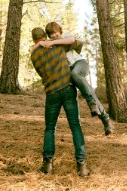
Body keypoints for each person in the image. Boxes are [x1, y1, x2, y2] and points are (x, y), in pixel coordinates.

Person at [29, 27, 90, 177]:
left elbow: (34, 51)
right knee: (75, 126)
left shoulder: (34, 55)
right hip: (67, 88)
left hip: (52, 92)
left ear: (33, 40)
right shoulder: (57, 45)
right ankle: (82, 167)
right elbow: (76, 42)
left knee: (50, 128)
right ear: (45, 36)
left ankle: (47, 165)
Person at [42, 21, 113, 135]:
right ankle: (105, 118)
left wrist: (53, 42)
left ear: (59, 30)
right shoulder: (52, 45)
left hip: (80, 64)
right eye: (51, 34)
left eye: (55, 32)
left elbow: (71, 40)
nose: (54, 35)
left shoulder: (65, 36)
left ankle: (91, 102)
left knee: (75, 74)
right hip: (69, 72)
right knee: (87, 90)